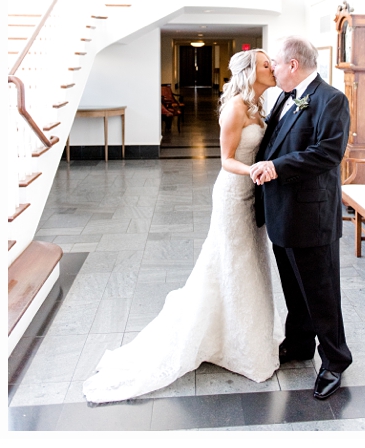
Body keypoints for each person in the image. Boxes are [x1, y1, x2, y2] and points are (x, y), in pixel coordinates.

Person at [83, 49, 284, 403]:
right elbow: (226, 161)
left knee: (250, 262)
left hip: (253, 194)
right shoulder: (236, 107)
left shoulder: (258, 106)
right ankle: (227, 342)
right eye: (268, 65)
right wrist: (254, 170)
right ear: (251, 72)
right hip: (233, 195)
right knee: (233, 263)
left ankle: (243, 335)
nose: (274, 68)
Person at [251, 36, 352, 400]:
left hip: (311, 216)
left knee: (321, 293)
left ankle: (335, 361)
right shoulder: (283, 97)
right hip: (282, 211)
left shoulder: (331, 99)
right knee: (295, 287)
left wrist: (276, 168)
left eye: (275, 63)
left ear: (293, 65)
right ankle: (299, 342)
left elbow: (327, 153)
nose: (272, 69)